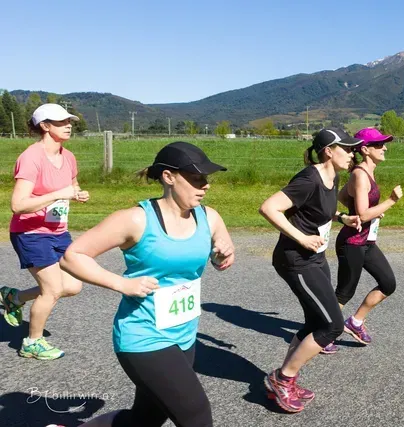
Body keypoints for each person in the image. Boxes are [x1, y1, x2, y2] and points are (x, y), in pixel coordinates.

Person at [59, 141, 235, 427]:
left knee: (146, 418)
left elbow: (220, 259)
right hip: (143, 336)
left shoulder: (209, 216)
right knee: (196, 415)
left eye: (206, 178)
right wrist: (121, 283)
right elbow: (72, 257)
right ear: (169, 177)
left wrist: (222, 255)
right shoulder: (136, 220)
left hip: (184, 333)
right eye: (197, 178)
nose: (205, 185)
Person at [259, 128, 362, 413]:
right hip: (296, 260)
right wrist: (301, 238)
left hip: (315, 258)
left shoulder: (333, 176)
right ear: (329, 151)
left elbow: (319, 209)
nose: (353, 153)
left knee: (315, 321)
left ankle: (285, 380)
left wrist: (342, 217)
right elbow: (268, 208)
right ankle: (283, 379)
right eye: (348, 148)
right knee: (332, 325)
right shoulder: (308, 178)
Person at [0, 103, 90, 360]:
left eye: (69, 121)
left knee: (72, 286)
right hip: (30, 233)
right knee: (51, 289)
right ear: (45, 126)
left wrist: (78, 193)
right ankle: (32, 343)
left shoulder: (68, 156)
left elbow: (72, 185)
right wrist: (58, 195)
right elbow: (17, 205)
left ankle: (14, 297)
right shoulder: (31, 157)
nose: (69, 125)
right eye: (61, 122)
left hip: (58, 231)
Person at [335, 128, 403, 345]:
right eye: (378, 145)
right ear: (365, 149)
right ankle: (322, 333)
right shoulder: (359, 174)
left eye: (383, 144)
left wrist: (368, 210)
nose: (384, 148)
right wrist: (390, 201)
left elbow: (344, 196)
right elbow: (363, 215)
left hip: (367, 242)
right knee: (344, 293)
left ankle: (355, 322)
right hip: (352, 243)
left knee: (387, 283)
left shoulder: (364, 172)